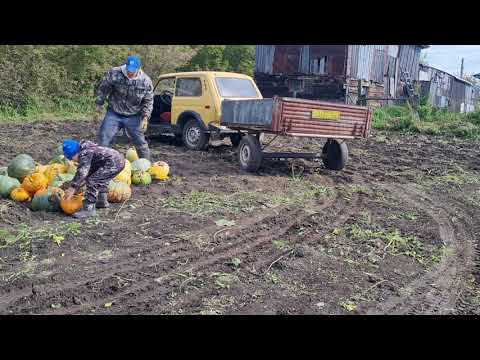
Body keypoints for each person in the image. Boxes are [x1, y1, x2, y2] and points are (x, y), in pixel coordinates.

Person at [95, 55, 154, 160]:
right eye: (128, 70)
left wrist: (145, 117)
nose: (130, 73)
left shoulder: (145, 81)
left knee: (140, 142)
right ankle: (101, 163)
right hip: (114, 112)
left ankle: (146, 166)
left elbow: (148, 101)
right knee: (104, 138)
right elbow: (104, 88)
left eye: (133, 71)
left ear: (138, 68)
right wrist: (99, 103)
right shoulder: (115, 73)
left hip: (134, 115)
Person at [62, 139, 125, 218]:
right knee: (99, 178)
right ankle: (102, 200)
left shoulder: (85, 153)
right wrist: (80, 184)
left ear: (75, 153)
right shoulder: (87, 149)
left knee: (93, 181)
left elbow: (82, 172)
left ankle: (88, 209)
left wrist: (73, 188)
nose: (72, 160)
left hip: (113, 163)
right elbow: (87, 173)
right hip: (116, 160)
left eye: (71, 158)